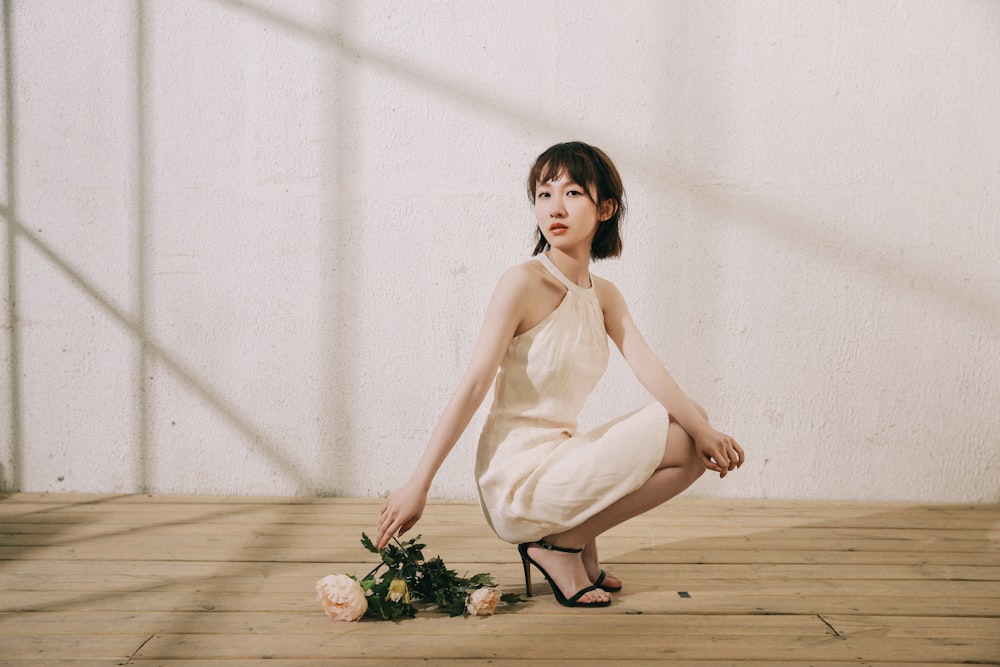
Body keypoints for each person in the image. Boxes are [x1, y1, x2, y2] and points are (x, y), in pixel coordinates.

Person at [376, 141, 744, 607]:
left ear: (605, 208)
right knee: (687, 435)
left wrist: (705, 429)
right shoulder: (522, 282)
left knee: (693, 429)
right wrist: (418, 484)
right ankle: (561, 546)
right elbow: (473, 385)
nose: (555, 207)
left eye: (572, 193)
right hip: (517, 476)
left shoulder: (605, 295)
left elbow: (648, 367)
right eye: (544, 194)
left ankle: (574, 537)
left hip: (563, 454)